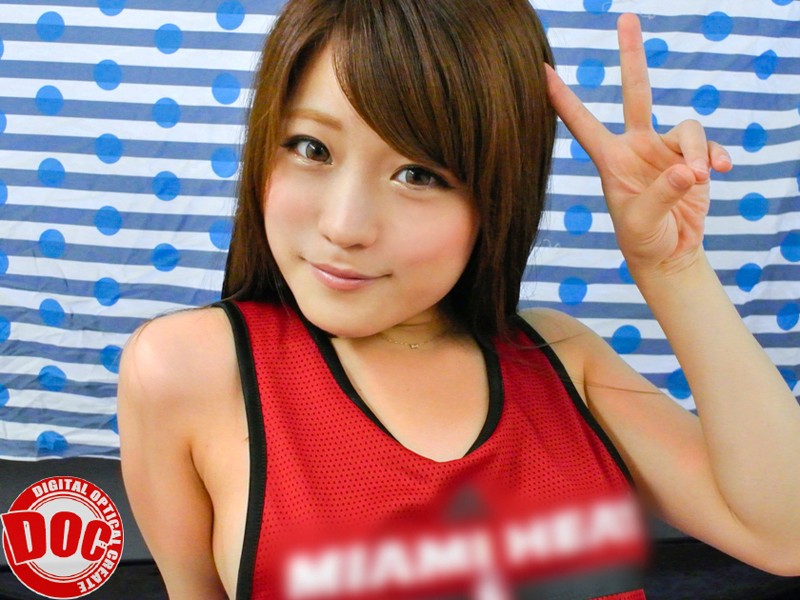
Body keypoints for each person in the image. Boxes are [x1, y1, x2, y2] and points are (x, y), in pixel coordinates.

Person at [117, 1, 800, 598]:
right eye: (311, 148)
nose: (345, 226)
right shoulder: (189, 369)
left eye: (418, 174)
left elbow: (786, 537)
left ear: (498, 192)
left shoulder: (562, 360)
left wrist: (673, 269)